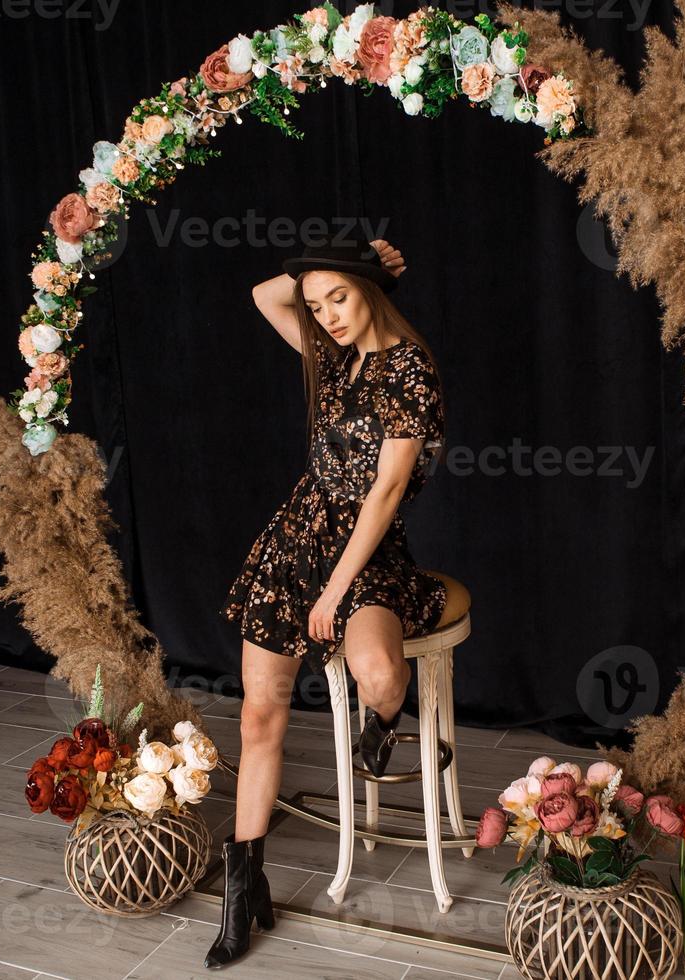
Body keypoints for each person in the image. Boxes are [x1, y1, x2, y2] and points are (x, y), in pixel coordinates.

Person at [204, 236, 449, 969]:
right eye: (316, 306)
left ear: (371, 291)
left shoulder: (411, 370)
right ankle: (244, 887)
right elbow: (262, 296)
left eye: (339, 298)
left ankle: (387, 726)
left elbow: (388, 491)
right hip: (295, 541)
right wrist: (319, 272)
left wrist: (338, 588)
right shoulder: (330, 357)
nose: (326, 316)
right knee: (259, 714)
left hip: (365, 553)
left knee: (378, 674)